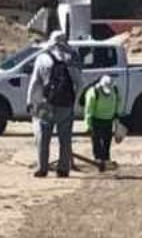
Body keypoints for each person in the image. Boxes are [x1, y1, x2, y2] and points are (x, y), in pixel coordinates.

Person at [26, 31, 81, 178]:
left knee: (43, 137)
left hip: (46, 104)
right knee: (65, 138)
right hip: (66, 105)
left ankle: (42, 168)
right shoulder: (72, 58)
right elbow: (79, 83)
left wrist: (30, 101)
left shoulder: (42, 58)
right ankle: (63, 169)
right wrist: (74, 102)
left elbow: (34, 82)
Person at [85, 75, 121, 173]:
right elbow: (88, 110)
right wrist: (88, 125)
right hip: (96, 120)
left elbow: (118, 103)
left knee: (107, 142)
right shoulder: (93, 93)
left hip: (109, 120)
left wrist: (117, 117)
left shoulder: (115, 91)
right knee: (96, 142)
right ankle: (98, 161)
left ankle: (105, 160)